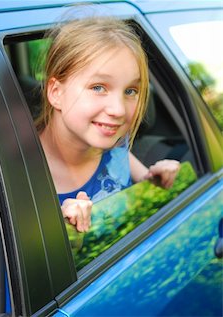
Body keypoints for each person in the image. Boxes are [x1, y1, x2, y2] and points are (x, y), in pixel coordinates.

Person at [35, 17, 180, 233]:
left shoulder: (116, 145)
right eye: (98, 87)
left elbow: (142, 187)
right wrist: (65, 234)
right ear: (56, 93)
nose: (119, 110)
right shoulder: (19, 178)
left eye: (131, 91)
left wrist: (157, 178)